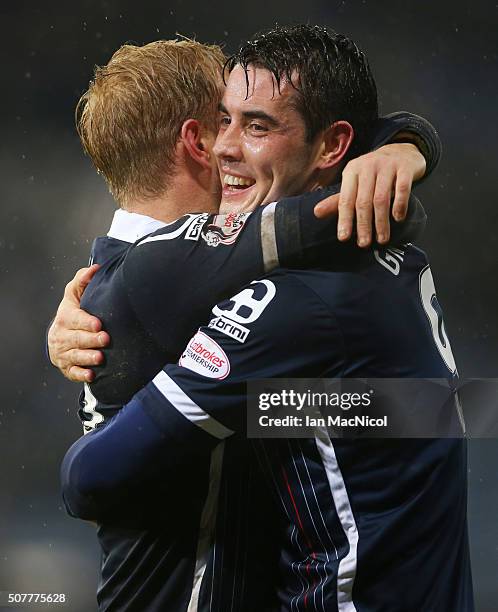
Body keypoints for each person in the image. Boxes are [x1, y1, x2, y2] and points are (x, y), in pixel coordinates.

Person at [51, 30, 451, 611]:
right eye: (224, 121)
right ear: (197, 139)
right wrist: (401, 155)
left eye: (255, 125)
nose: (231, 145)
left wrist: (402, 148)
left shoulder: (129, 272)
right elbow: (348, 218)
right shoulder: (168, 267)